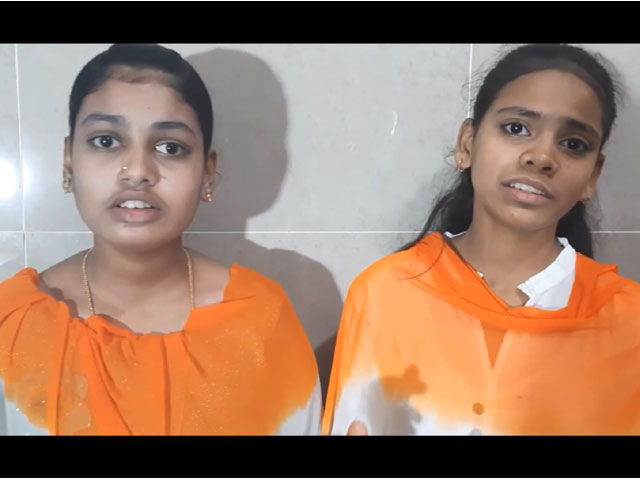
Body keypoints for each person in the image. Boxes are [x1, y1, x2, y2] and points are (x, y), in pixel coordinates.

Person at [0, 44, 321, 435]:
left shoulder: (261, 324)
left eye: (170, 147)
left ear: (207, 173)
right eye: (106, 141)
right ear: (69, 161)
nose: (137, 171)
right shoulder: (11, 325)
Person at [323, 44, 640, 435]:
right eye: (516, 128)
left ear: (593, 175)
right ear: (467, 144)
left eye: (573, 144)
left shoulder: (629, 324)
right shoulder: (386, 294)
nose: (541, 157)